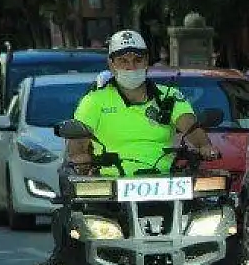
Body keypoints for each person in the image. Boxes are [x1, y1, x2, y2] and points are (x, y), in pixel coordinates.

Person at [65, 30, 219, 177]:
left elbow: (190, 127)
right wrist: (80, 159)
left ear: (146, 61)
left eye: (137, 60)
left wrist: (204, 146)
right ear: (111, 64)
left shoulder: (169, 95)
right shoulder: (93, 101)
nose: (131, 67)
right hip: (111, 186)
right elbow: (78, 143)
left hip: (167, 182)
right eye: (123, 60)